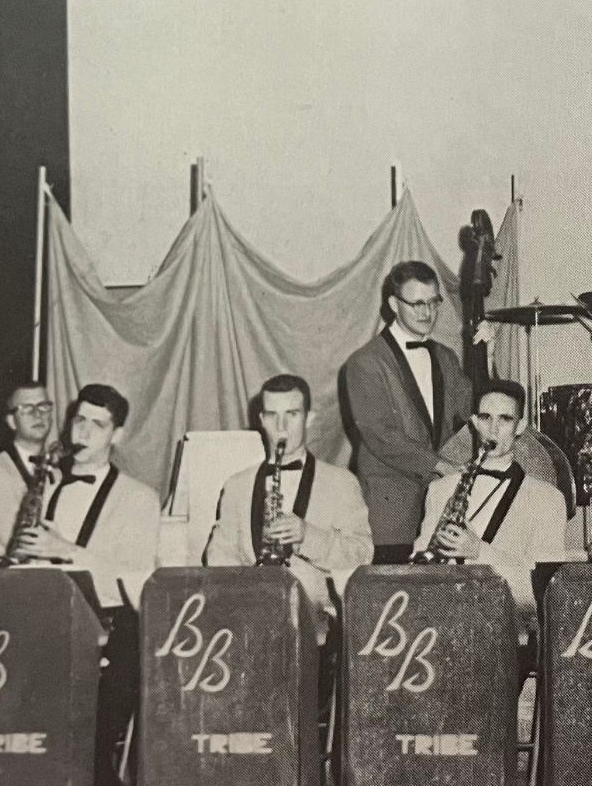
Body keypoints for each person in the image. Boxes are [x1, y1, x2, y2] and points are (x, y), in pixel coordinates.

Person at [12, 383, 160, 786]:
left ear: (118, 435)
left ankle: (95, 765)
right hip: (48, 611)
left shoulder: (139, 498)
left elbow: (137, 574)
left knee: (128, 642)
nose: (83, 433)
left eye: (98, 425)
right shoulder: (44, 487)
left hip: (111, 620)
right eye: (79, 421)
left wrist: (67, 551)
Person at [204, 374, 373, 615]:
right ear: (261, 419)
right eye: (272, 415)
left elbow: (363, 554)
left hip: (316, 620)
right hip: (252, 612)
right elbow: (219, 552)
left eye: (291, 414)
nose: (281, 427)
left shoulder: (342, 483)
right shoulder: (237, 485)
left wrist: (308, 536)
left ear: (308, 418)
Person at [341, 260, 474, 563]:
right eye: (416, 304)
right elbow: (381, 435)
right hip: (392, 510)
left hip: (441, 505)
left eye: (433, 302)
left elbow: (468, 417)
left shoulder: (446, 358)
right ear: (393, 303)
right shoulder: (365, 362)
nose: (427, 313)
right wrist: (440, 466)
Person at [411, 381, 569, 626]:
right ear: (474, 422)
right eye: (485, 418)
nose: (493, 430)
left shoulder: (548, 500)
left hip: (510, 634)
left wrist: (479, 552)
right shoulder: (440, 490)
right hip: (442, 625)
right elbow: (419, 568)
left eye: (505, 419)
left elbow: (540, 592)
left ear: (520, 427)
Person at [0, 381, 58, 563]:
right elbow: (21, 545)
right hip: (6, 581)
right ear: (12, 421)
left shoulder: (58, 472)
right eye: (27, 408)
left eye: (44, 406)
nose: (38, 414)